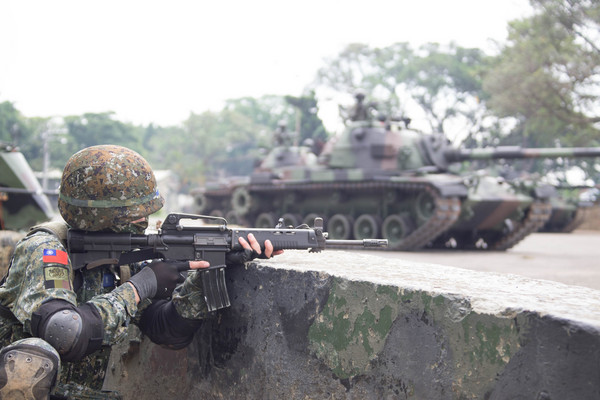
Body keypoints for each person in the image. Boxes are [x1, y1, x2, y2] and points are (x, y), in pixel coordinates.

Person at [0, 145, 281, 400]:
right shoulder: (46, 249)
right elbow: (64, 332)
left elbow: (168, 331)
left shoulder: (122, 259)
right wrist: (141, 286)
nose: (144, 220)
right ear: (101, 216)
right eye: (134, 213)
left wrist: (211, 269)